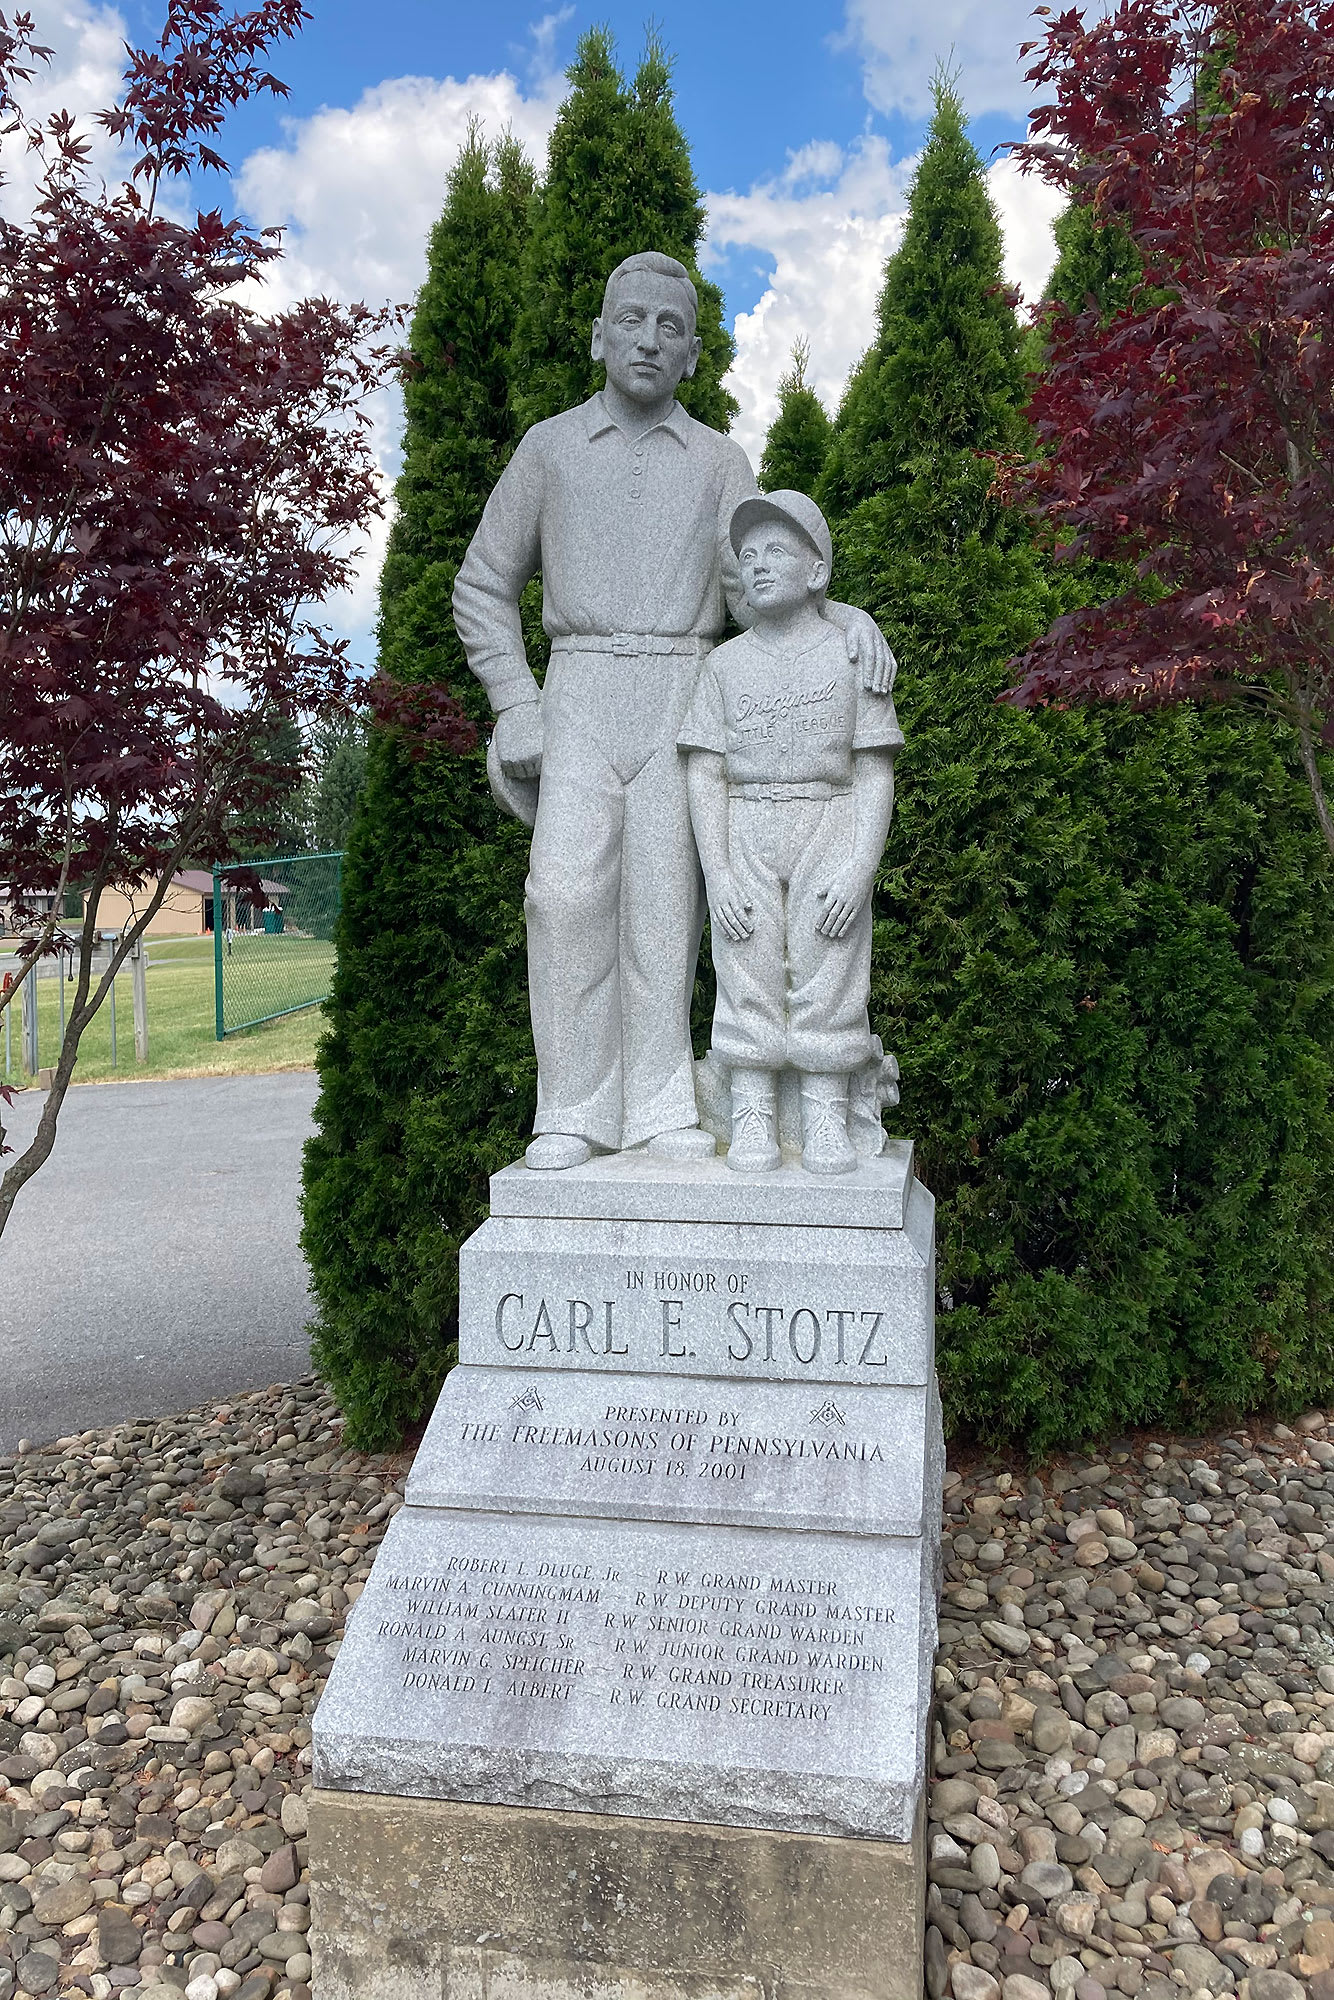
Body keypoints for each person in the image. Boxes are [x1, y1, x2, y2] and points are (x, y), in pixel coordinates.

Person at [453, 250, 894, 1170]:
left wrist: (845, 615)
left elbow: (760, 588)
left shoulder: (719, 461)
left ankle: (658, 1106)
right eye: (630, 320)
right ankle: (570, 1108)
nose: (648, 339)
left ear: (693, 354)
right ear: (598, 336)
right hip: (577, 692)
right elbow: (483, 586)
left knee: (666, 908)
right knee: (563, 898)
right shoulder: (550, 448)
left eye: (670, 327)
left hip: (683, 696)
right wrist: (515, 700)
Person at [678, 490, 901, 1175]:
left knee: (828, 964)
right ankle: (751, 1110)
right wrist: (716, 873)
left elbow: (873, 769)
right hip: (745, 822)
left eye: (777, 550)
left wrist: (860, 864)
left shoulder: (853, 655)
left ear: (817, 571)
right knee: (745, 964)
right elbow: (704, 774)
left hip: (827, 820)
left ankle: (827, 1112)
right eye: (748, 557)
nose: (759, 566)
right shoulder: (721, 667)